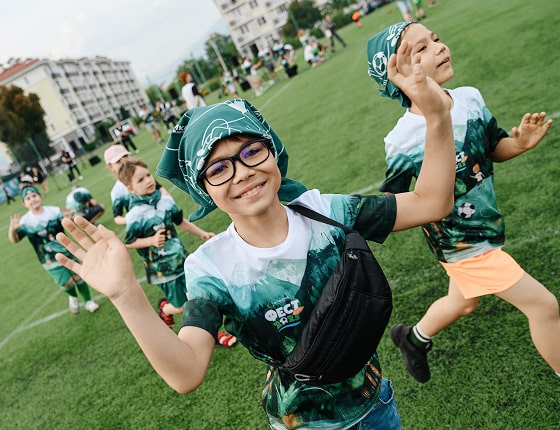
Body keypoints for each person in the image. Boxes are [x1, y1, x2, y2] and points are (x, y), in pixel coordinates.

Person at [54, 52, 456, 429]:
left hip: (377, 406)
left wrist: (436, 116)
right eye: (218, 169)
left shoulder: (325, 211)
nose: (242, 172)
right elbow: (187, 372)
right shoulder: (211, 268)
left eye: (251, 151)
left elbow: (432, 201)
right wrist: (126, 294)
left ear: (273, 151)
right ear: (203, 190)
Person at [367, 21, 560, 383]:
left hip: (486, 227)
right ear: (397, 76)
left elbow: (493, 146)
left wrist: (518, 144)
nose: (439, 47)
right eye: (421, 49)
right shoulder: (402, 139)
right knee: (543, 305)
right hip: (460, 244)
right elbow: (396, 201)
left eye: (435, 39)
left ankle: (413, 338)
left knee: (464, 302)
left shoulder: (469, 98)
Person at [115, 156, 220, 330]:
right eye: (140, 180)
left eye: (148, 175)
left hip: (182, 259)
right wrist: (151, 240)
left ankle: (212, 334)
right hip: (163, 271)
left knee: (198, 297)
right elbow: (130, 242)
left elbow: (180, 221)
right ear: (131, 188)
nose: (148, 180)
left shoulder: (165, 201)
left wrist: (202, 233)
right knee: (181, 307)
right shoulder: (135, 214)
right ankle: (166, 309)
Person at [9, 186, 99, 314]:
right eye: (28, 198)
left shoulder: (54, 211)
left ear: (40, 196)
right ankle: (73, 297)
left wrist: (69, 218)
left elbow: (68, 225)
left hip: (67, 251)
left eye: (34, 195)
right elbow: (15, 240)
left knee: (78, 276)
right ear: (24, 204)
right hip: (48, 259)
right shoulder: (25, 221)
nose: (32, 199)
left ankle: (88, 302)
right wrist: (12, 230)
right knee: (67, 283)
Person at [104, 144, 172, 226]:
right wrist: (133, 218)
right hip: (144, 227)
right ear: (110, 166)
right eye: (118, 161)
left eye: (125, 157)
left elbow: (161, 189)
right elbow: (117, 218)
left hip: (161, 216)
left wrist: (168, 202)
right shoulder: (117, 191)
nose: (124, 162)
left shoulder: (142, 175)